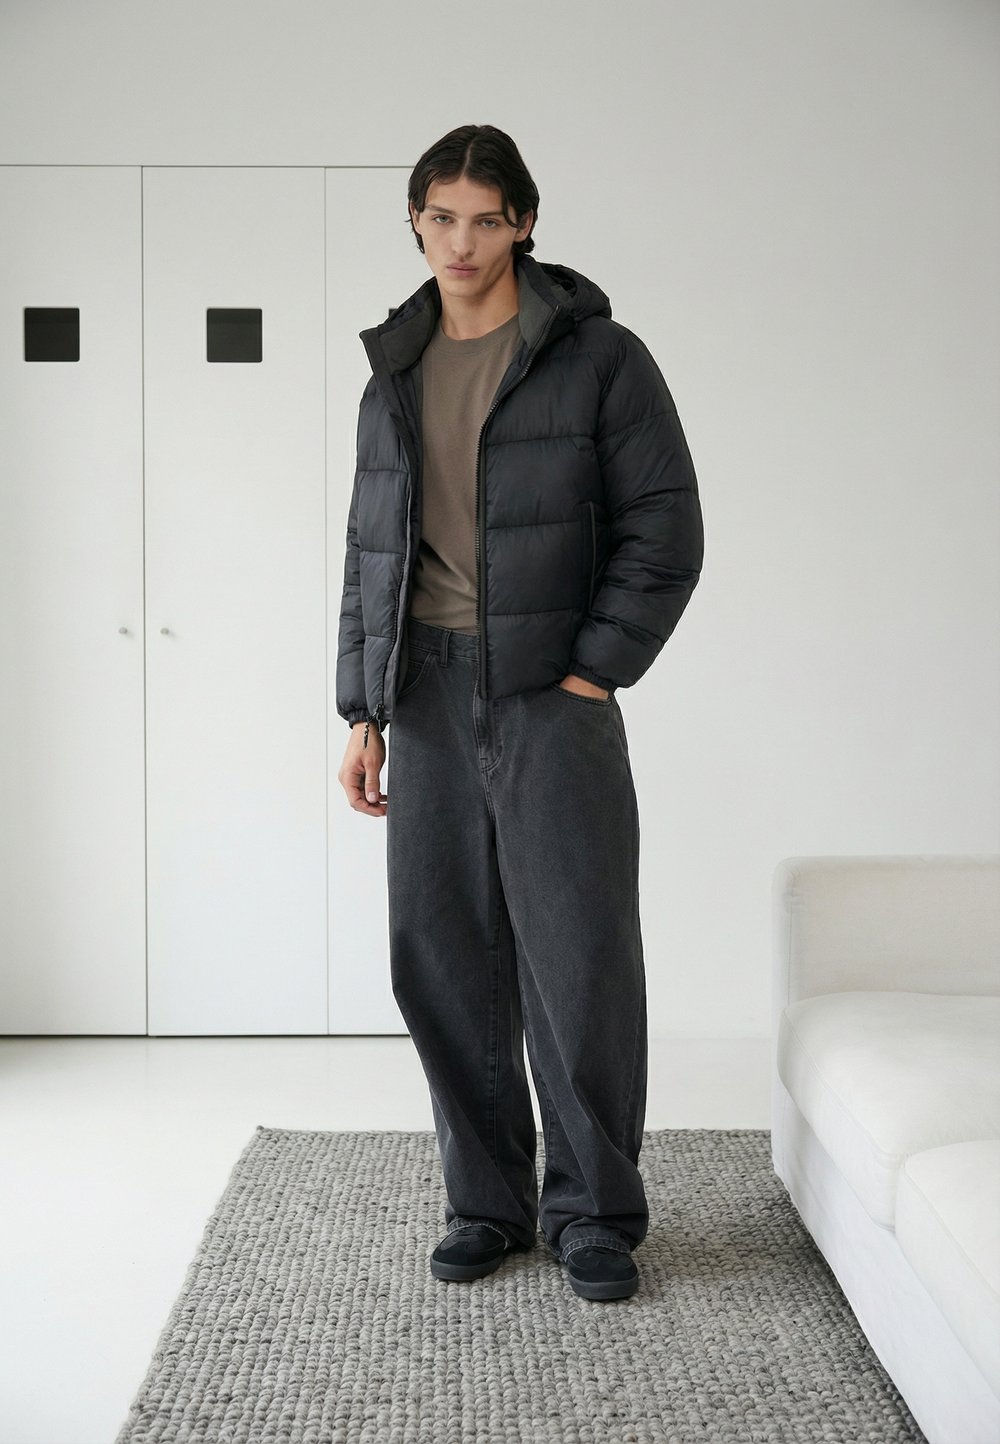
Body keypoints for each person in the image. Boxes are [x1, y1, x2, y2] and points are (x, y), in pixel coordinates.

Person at [336, 124, 703, 1302]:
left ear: (525, 224)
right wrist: (362, 709)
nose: (461, 241)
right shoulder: (392, 372)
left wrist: (593, 670)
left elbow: (665, 528)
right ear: (414, 221)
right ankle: (484, 1204)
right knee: (441, 955)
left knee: (576, 955)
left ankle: (592, 1211)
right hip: (425, 694)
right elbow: (369, 551)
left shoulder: (599, 358)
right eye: (440, 217)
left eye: (485, 218)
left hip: (551, 692)